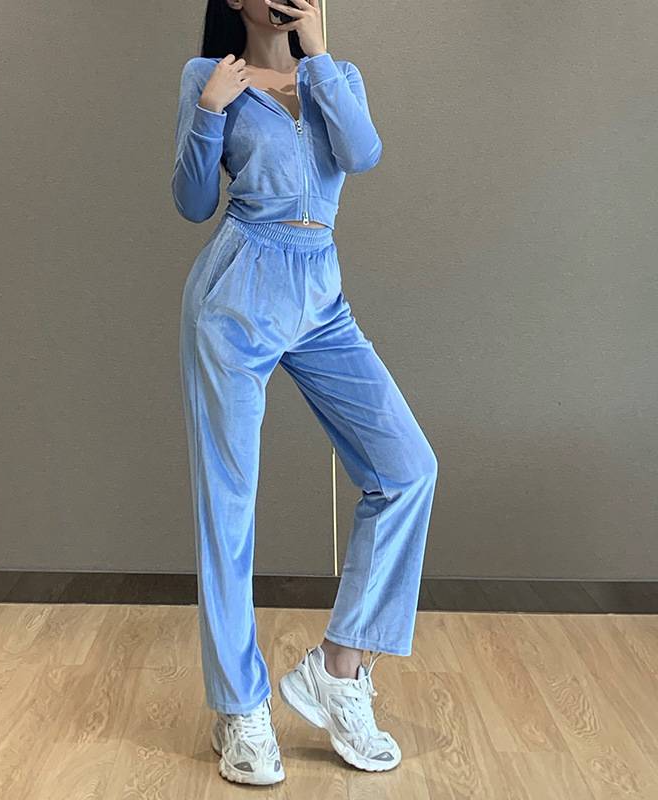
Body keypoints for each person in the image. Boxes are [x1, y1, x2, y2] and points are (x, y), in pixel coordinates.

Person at [173, 0, 438, 786]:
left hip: (320, 294)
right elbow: (192, 202)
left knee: (407, 469)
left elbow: (362, 153)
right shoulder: (209, 75)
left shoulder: (335, 74)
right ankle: (240, 708)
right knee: (228, 508)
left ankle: (339, 668)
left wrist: (317, 56)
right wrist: (208, 112)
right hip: (237, 292)